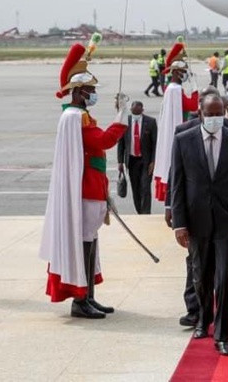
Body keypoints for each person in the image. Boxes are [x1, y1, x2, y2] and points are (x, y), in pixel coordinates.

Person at [40, 40, 128, 319]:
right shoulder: (75, 118)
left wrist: (104, 192)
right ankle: (81, 299)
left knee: (90, 244)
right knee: (85, 244)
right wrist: (122, 116)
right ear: (77, 92)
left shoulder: (81, 115)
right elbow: (104, 140)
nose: (92, 94)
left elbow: (96, 157)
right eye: (89, 91)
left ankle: (88, 294)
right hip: (84, 192)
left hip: (93, 189)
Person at [171, 94, 228, 357]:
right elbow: (178, 184)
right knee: (201, 274)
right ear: (200, 114)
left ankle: (223, 333)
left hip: (227, 219)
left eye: (219, 113)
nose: (215, 118)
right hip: (197, 220)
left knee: (226, 276)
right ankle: (203, 318)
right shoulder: (183, 140)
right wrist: (179, 223)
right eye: (210, 114)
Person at [152, 42, 199, 202]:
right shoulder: (176, 90)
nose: (186, 75)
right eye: (184, 72)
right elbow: (193, 105)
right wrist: (195, 87)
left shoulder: (168, 88)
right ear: (178, 73)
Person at [117, 101, 158, 214]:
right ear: (131, 111)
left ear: (142, 111)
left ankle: (146, 213)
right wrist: (120, 161)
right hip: (132, 160)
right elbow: (121, 143)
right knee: (135, 188)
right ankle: (139, 212)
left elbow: (155, 144)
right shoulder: (126, 123)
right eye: (134, 112)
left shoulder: (151, 122)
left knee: (145, 187)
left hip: (146, 161)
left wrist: (153, 161)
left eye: (138, 112)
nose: (136, 114)